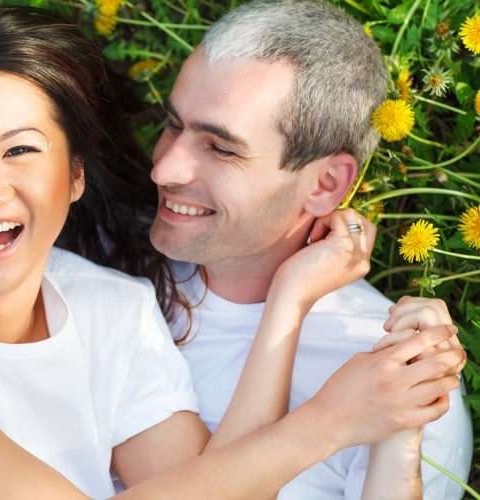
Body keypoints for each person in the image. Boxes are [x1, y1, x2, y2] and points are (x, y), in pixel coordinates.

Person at [0, 4, 464, 500]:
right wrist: (327, 423)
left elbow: (213, 486)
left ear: (74, 176)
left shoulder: (108, 301)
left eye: (21, 149)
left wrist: (286, 305)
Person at [142, 0, 473, 498]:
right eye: (173, 123)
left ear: (325, 184)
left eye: (221, 148)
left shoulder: (392, 377)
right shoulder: (101, 275)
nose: (164, 169)